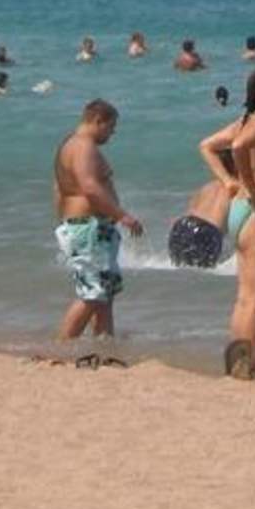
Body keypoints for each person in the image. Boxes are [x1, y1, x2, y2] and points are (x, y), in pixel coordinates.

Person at [198, 67, 255, 380]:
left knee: (245, 299)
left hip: (242, 213)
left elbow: (207, 146)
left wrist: (228, 181)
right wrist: (247, 183)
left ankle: (238, 368)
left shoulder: (244, 121)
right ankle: (249, 369)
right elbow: (236, 149)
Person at [53, 99, 142, 339]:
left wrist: (65, 224)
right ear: (98, 121)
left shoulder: (70, 145)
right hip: (89, 229)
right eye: (111, 127)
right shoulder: (83, 146)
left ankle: (104, 347)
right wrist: (122, 216)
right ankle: (60, 349)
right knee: (92, 295)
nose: (112, 134)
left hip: (87, 227)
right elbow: (90, 187)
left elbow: (58, 189)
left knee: (104, 295)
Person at [169, 154, 236, 269]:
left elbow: (190, 209)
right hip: (207, 232)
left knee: (179, 270)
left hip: (182, 226)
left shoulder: (207, 187)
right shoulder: (238, 189)